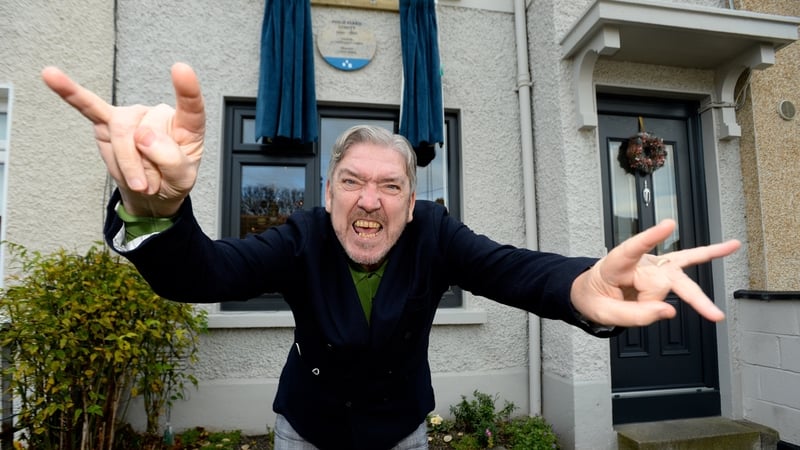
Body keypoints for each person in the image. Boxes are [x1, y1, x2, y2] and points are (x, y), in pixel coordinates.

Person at [41, 63, 740, 450]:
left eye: (389, 186)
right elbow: (205, 274)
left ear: (411, 201)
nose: (368, 200)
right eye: (351, 182)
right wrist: (158, 210)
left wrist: (582, 284)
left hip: (401, 429)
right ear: (328, 193)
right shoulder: (302, 236)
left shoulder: (435, 234)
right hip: (306, 428)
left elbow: (511, 269)